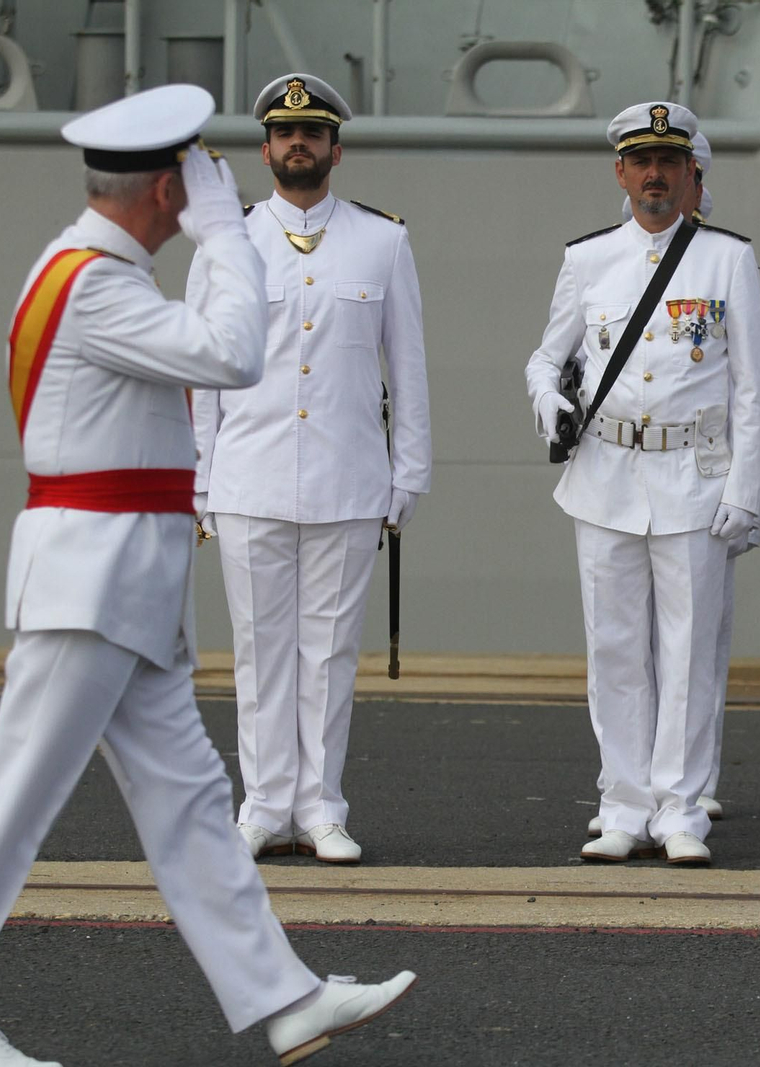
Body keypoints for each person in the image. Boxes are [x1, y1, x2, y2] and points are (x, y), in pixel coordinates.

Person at [0, 85, 414, 1067]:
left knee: (191, 804)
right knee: (10, 808)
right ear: (160, 189)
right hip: (90, 588)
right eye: (191, 178)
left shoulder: (94, 272)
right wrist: (228, 234)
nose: (203, 192)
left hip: (125, 589)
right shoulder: (94, 281)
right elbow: (234, 354)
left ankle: (283, 993)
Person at [526, 102, 760, 867]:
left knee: (690, 651)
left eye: (669, 162)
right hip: (605, 474)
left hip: (692, 481)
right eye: (642, 161)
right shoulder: (587, 259)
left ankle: (680, 809)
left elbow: (753, 390)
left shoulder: (726, 258)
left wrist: (746, 488)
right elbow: (545, 357)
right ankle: (622, 804)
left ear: (690, 172)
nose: (655, 175)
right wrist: (548, 404)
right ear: (621, 172)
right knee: (615, 651)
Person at [191, 72, 432, 865]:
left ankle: (321, 806)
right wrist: (199, 477)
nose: (300, 144)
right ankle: (263, 806)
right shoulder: (227, 246)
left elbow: (410, 367)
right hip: (249, 475)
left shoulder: (383, 240)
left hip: (348, 476)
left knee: (327, 654)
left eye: (314, 132)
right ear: (265, 149)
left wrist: (409, 474)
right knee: (261, 651)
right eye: (285, 133)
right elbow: (203, 371)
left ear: (336, 147)